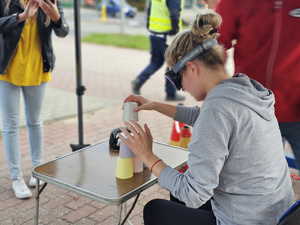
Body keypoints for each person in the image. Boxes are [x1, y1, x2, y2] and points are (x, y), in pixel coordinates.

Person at [119, 12, 294, 225]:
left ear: (192, 68)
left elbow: (193, 193)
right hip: (276, 214)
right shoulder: (243, 90)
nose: (181, 87)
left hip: (246, 220)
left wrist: (147, 155)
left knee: (155, 209)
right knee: (177, 196)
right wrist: (154, 105)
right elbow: (201, 117)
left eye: (176, 78)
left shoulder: (217, 110)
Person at [215, 0, 300, 168]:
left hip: (295, 108)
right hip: (249, 108)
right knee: (248, 174)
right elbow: (215, 41)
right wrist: (216, 86)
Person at [0, 0, 69, 199]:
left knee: (35, 121)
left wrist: (56, 17)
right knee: (11, 125)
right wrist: (21, 17)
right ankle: (15, 177)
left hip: (38, 67)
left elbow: (63, 31)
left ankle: (36, 171)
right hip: (8, 69)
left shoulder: (49, 0)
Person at [131, 0, 185, 101]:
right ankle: (171, 94)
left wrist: (149, 26)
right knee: (173, 64)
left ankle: (138, 81)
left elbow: (149, 9)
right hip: (167, 35)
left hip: (154, 33)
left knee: (156, 62)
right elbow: (174, 12)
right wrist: (175, 31)